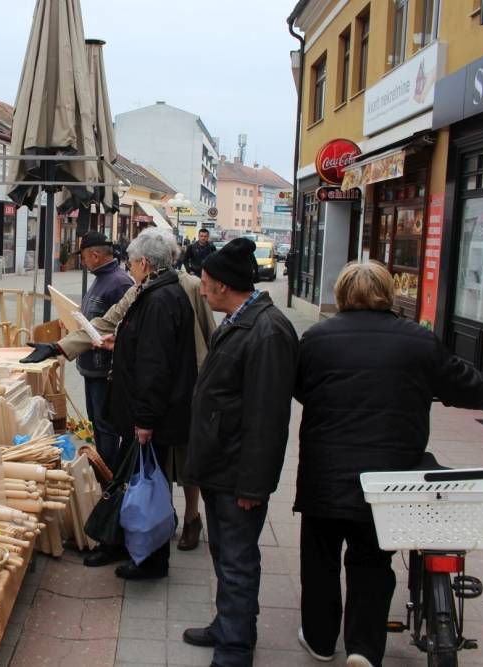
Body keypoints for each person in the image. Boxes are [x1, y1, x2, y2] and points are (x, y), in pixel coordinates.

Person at [292, 262, 483, 667]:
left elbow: (301, 388)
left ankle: (320, 641)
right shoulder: (418, 342)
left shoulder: (316, 338)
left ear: (340, 295)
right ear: (389, 294)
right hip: (388, 477)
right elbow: (461, 382)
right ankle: (363, 649)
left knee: (319, 559)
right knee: (372, 561)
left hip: (325, 473)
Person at [182, 237, 299, 667]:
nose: (201, 287)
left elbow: (268, 418)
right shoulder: (241, 320)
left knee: (237, 560)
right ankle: (228, 627)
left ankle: (234, 650)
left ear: (224, 286)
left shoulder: (267, 331)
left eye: (206, 281)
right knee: (225, 554)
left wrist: (253, 482)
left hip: (237, 471)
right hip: (221, 462)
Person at [95, 227, 197, 580]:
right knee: (144, 482)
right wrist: (120, 343)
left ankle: (150, 558)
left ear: (142, 262)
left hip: (151, 415)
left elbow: (154, 367)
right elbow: (147, 351)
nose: (130, 269)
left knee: (147, 485)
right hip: (151, 412)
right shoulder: (161, 291)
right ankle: (134, 546)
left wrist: (145, 419)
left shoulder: (158, 298)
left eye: (131, 263)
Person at [22, 232, 132, 472]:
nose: (83, 262)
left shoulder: (119, 282)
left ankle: (108, 476)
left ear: (95, 254)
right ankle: (103, 471)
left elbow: (124, 327)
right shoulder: (102, 278)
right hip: (91, 366)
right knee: (97, 424)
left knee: (105, 426)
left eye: (83, 257)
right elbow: (94, 319)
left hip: (106, 369)